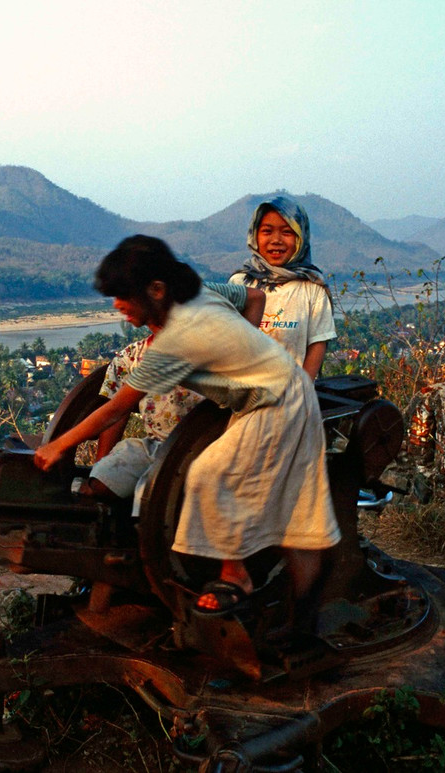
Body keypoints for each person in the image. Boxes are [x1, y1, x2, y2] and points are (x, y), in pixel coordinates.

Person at [34, 235, 338, 611]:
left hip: (278, 402)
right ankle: (304, 615)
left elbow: (116, 408)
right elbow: (255, 299)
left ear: (156, 290)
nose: (118, 306)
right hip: (269, 395)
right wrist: (244, 349)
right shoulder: (199, 292)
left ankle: (235, 576)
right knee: (296, 515)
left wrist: (58, 445)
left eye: (124, 296)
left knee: (210, 473)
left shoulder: (176, 341)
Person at [85, 282, 264, 500]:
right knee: (103, 482)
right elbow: (115, 413)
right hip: (154, 447)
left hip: (206, 447)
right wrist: (98, 474)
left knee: (151, 492)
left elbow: (255, 299)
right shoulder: (131, 358)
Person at [229, 196, 335, 379]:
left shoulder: (312, 288)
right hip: (244, 398)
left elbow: (317, 345)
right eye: (267, 231)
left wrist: (301, 391)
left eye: (286, 232)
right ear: (255, 235)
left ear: (300, 238)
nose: (275, 240)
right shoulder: (240, 283)